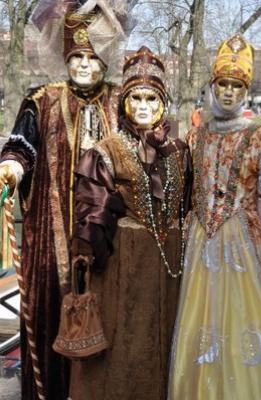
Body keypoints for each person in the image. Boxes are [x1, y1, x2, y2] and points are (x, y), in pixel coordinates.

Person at [0, 1, 126, 398]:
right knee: (51, 320)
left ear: (103, 59)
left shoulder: (121, 102)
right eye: (76, 57)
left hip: (107, 242)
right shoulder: (42, 101)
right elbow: (22, 146)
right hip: (51, 243)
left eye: (91, 57)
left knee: (108, 321)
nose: (83, 65)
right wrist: (12, 169)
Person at [169, 33, 261, 400]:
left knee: (247, 327)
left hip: (244, 253)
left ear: (245, 89)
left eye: (236, 85)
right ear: (213, 85)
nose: (229, 92)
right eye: (223, 84)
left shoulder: (259, 138)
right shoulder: (195, 136)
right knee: (200, 330)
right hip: (201, 250)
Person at [69, 46, 191, 400]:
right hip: (125, 266)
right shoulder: (106, 151)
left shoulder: (179, 151)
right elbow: (92, 208)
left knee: (167, 336)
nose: (143, 107)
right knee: (128, 341)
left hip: (171, 266)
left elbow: (186, 204)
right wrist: (88, 253)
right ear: (124, 102)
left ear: (162, 104)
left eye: (151, 99)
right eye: (135, 98)